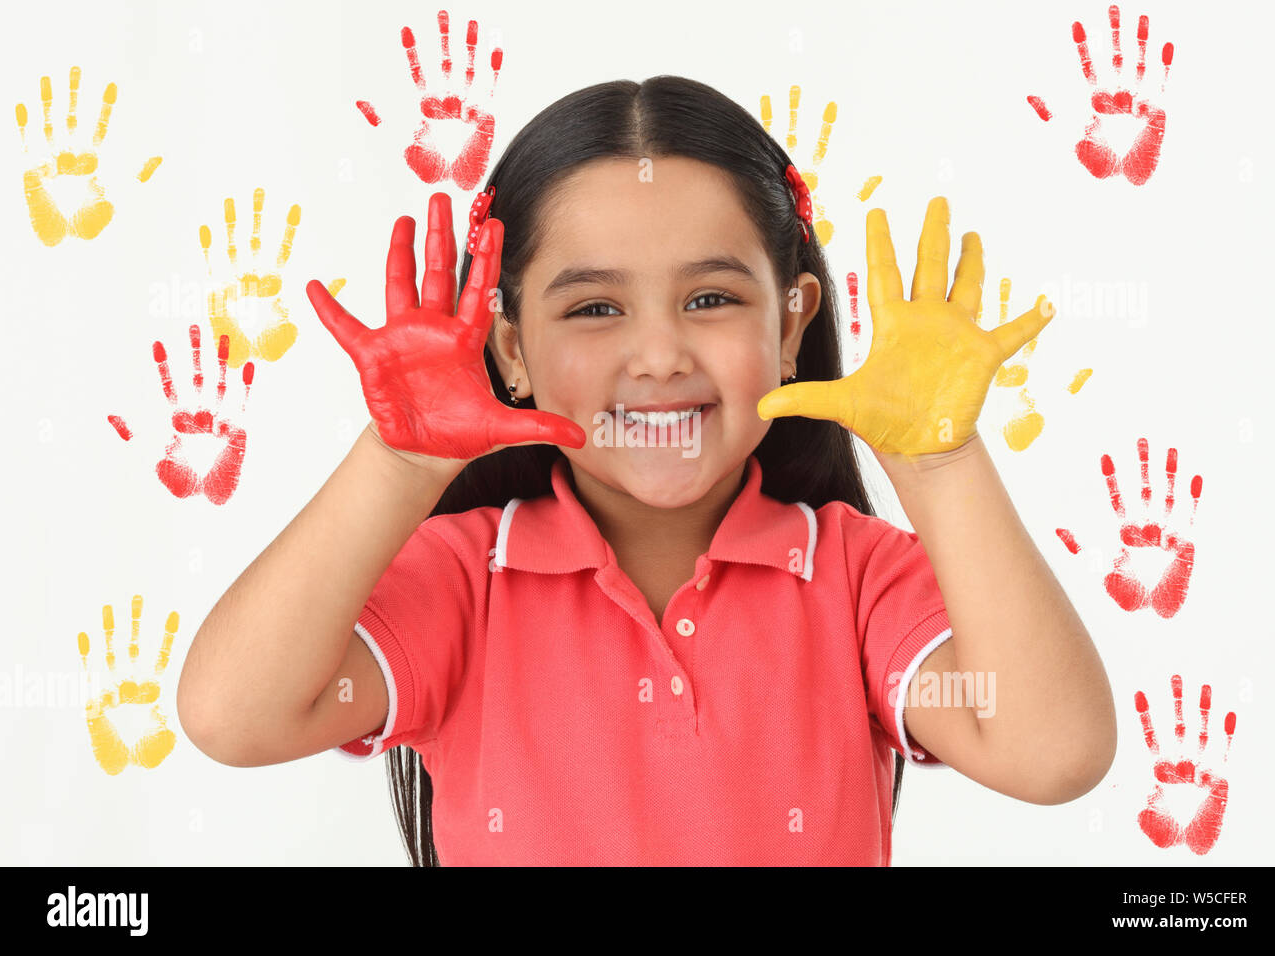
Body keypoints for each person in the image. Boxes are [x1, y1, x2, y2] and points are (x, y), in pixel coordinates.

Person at [177, 75, 1116, 866]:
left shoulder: (856, 581)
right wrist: (397, 461)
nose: (660, 354)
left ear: (790, 326)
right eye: (593, 309)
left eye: (710, 298)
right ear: (512, 348)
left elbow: (1052, 751)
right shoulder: (465, 582)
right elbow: (233, 716)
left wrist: (941, 464)